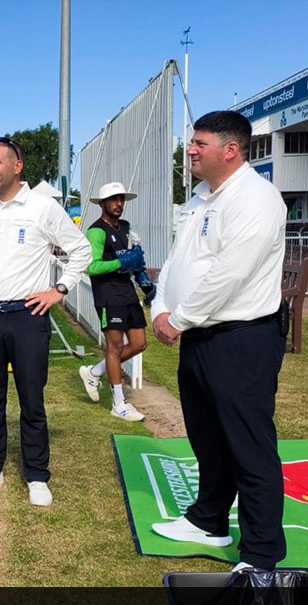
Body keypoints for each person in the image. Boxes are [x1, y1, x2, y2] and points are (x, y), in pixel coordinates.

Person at [150, 111, 287, 572]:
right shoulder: (201, 197)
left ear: (230, 150)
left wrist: (180, 318)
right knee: (207, 438)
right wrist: (160, 309)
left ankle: (262, 555)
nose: (190, 150)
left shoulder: (257, 199)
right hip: (199, 336)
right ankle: (209, 519)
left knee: (249, 446)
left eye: (199, 143)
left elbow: (230, 274)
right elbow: (177, 259)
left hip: (241, 337)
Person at [0, 137, 91, 506]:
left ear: (17, 166)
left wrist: (58, 289)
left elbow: (81, 250)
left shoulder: (42, 207)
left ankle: (37, 474)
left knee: (32, 398)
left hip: (29, 315)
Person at [78, 182, 153, 422]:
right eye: (113, 199)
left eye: (121, 199)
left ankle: (94, 371)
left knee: (140, 344)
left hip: (128, 293)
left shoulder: (126, 227)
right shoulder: (96, 231)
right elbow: (92, 267)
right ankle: (118, 403)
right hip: (109, 295)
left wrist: (144, 281)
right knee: (115, 348)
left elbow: (134, 258)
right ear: (102, 204)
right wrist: (122, 264)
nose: (119, 204)